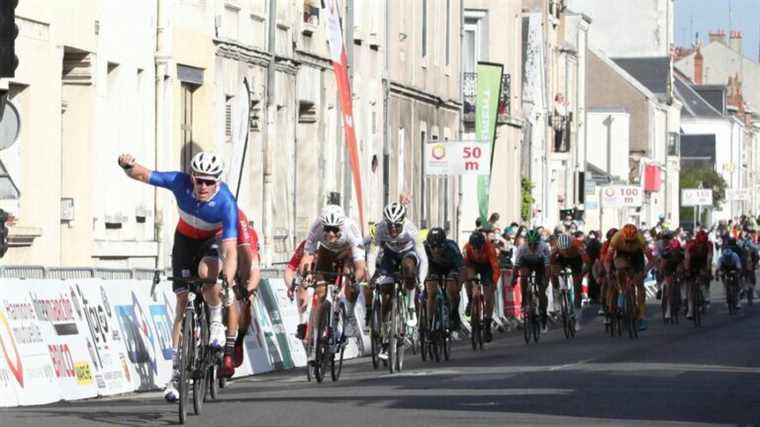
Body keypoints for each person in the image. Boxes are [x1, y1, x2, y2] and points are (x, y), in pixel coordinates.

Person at [118, 151, 238, 402]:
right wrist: (127, 165)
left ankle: (215, 322)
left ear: (218, 181)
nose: (203, 186)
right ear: (192, 178)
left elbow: (229, 249)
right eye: (199, 180)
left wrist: (227, 278)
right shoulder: (180, 183)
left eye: (209, 181)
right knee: (182, 305)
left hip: (211, 242)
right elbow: (145, 174)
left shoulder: (226, 202)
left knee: (208, 274)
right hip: (184, 242)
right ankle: (175, 375)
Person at [299, 204, 367, 344]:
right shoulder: (316, 226)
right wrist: (305, 275)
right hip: (327, 251)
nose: (330, 233)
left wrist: (355, 279)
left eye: (334, 229)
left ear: (341, 226)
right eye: (327, 229)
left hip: (347, 252)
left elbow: (360, 267)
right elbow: (307, 257)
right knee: (320, 290)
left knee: (351, 276)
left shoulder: (351, 229)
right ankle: (317, 334)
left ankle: (348, 316)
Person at [373, 202, 428, 348]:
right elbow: (374, 253)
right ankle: (385, 331)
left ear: (403, 222)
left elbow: (423, 259)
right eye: (389, 225)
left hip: (407, 252)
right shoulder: (380, 228)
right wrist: (370, 273)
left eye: (397, 226)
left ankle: (410, 308)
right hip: (390, 254)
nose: (392, 230)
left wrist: (421, 281)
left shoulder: (411, 229)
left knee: (409, 268)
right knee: (386, 293)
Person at [605, 224, 654, 331]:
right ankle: (622, 291)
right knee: (620, 269)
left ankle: (641, 316)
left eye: (632, 241)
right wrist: (608, 271)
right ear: (623, 236)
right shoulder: (616, 238)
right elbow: (608, 260)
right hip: (621, 254)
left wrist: (645, 271)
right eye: (627, 241)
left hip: (637, 255)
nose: (629, 244)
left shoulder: (641, 239)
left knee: (640, 283)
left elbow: (651, 260)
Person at [423, 227, 464, 331]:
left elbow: (462, 270)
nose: (436, 250)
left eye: (439, 247)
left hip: (450, 267)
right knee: (431, 293)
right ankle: (429, 323)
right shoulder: (423, 248)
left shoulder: (452, 248)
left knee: (452, 289)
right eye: (433, 247)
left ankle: (454, 313)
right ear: (428, 245)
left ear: (444, 244)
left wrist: (458, 286)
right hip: (432, 267)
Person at [463, 231, 501, 341]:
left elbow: (495, 268)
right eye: (474, 248)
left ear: (483, 245)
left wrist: (493, 282)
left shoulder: (490, 248)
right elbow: (464, 266)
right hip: (472, 265)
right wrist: (468, 280)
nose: (476, 250)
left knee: (489, 296)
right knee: (468, 276)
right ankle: (471, 300)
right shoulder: (467, 248)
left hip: (487, 266)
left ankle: (488, 324)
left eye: (478, 248)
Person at [514, 229, 551, 332]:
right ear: (527, 242)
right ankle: (524, 300)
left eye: (535, 244)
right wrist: (514, 277)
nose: (532, 246)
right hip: (527, 263)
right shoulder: (521, 248)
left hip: (540, 265)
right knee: (524, 275)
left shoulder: (544, 247)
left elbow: (547, 267)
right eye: (530, 244)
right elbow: (516, 266)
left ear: (538, 243)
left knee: (542, 290)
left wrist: (546, 281)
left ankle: (543, 313)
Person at [684, 230, 713, 318]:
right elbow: (687, 258)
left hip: (702, 262)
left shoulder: (709, 245)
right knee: (689, 286)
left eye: (703, 243)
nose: (701, 245)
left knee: (704, 278)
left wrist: (708, 271)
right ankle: (690, 310)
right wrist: (687, 270)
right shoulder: (691, 244)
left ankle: (705, 295)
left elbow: (709, 258)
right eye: (700, 243)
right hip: (692, 261)